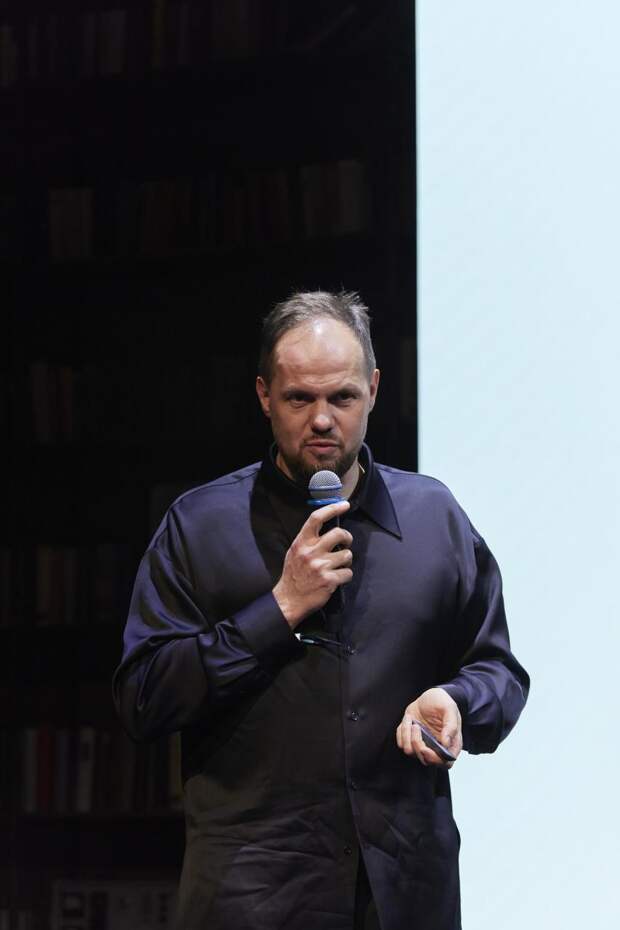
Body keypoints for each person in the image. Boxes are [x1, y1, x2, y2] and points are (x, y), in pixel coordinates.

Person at [113, 290, 529, 930]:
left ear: (374, 390)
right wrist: (278, 609)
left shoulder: (434, 518)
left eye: (343, 397)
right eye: (299, 399)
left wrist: (457, 702)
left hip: (404, 893)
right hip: (254, 898)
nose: (323, 420)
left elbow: (498, 672)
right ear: (264, 395)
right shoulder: (200, 526)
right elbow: (143, 699)